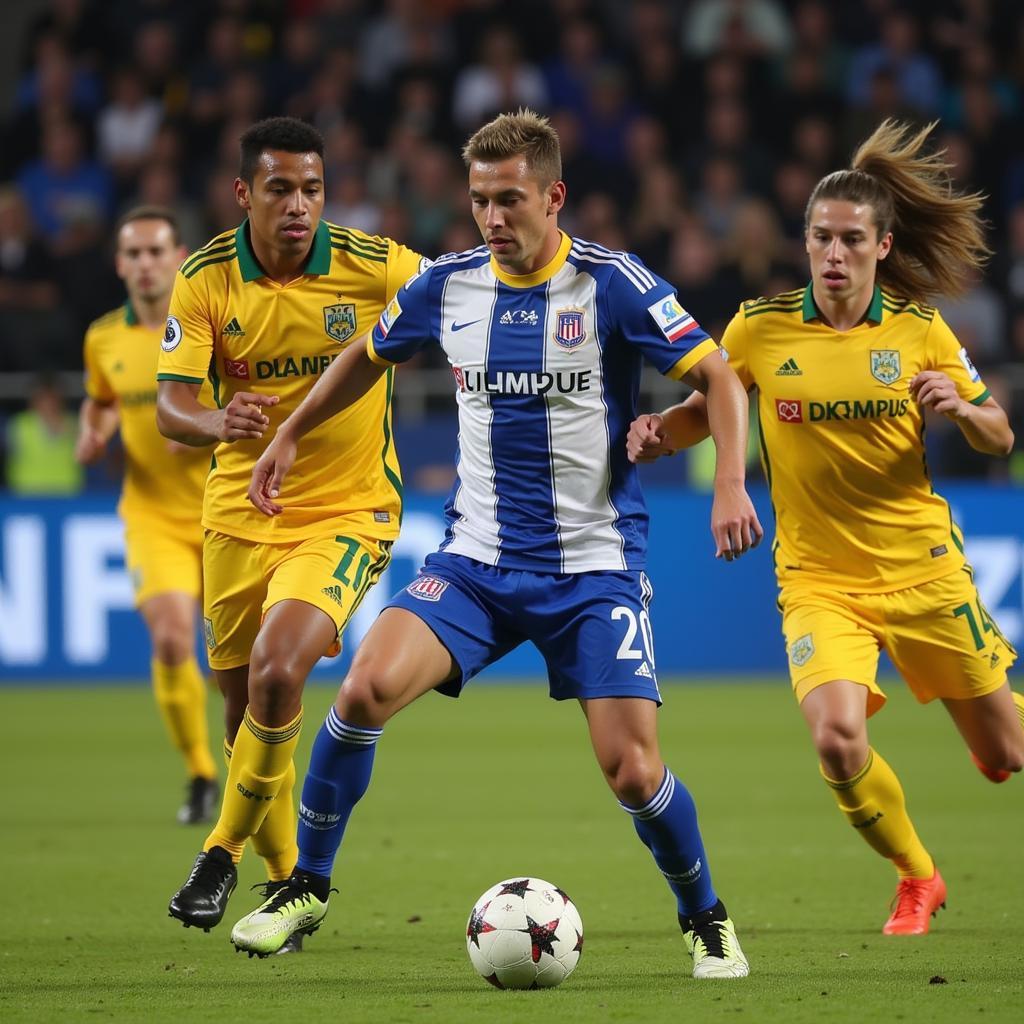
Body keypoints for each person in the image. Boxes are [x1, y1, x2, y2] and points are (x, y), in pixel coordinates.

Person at [234, 110, 763, 979]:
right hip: (475, 565)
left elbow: (716, 376)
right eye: (479, 201)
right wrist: (291, 430)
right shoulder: (448, 286)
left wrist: (732, 480)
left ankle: (705, 918)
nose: (491, 218)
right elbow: (367, 353)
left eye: (509, 200)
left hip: (594, 568)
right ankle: (304, 886)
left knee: (633, 771)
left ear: (554, 197)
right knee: (362, 687)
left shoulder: (613, 284)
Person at [627, 119, 1023, 936]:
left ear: (881, 247)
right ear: (804, 243)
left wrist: (961, 409)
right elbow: (715, 405)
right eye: (819, 238)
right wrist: (663, 432)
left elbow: (1001, 432)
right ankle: (919, 877)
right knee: (838, 742)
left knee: (1005, 757)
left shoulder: (920, 330)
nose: (832, 254)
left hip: (922, 569)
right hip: (818, 580)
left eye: (850, 239)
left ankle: (990, 736)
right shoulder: (760, 327)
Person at [157, 116, 426, 948]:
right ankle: (285, 888)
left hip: (347, 511)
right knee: (245, 721)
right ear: (245, 194)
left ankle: (217, 855)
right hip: (240, 513)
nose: (299, 205)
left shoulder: (374, 265)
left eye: (312, 188)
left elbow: (468, 295)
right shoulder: (204, 278)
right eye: (280, 189)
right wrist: (214, 419)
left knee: (281, 669)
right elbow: (171, 406)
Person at [76, 207, 218, 824]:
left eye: (155, 252)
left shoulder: (213, 327)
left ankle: (249, 770)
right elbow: (102, 400)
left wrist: (197, 430)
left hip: (226, 510)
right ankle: (200, 772)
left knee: (238, 662)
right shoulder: (103, 338)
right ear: (119, 265)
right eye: (133, 254)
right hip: (152, 514)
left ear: (179, 257)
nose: (145, 264)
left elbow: (252, 409)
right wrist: (94, 432)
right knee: (168, 638)